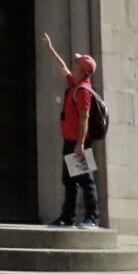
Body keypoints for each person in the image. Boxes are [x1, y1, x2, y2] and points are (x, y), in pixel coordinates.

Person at [41, 32, 98, 229]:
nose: (74, 64)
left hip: (78, 143)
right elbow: (62, 66)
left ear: (83, 70)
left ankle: (92, 218)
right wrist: (49, 48)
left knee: (85, 180)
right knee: (70, 180)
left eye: (77, 63)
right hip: (70, 141)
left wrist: (80, 144)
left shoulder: (83, 91)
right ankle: (67, 217)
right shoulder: (75, 83)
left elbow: (84, 118)